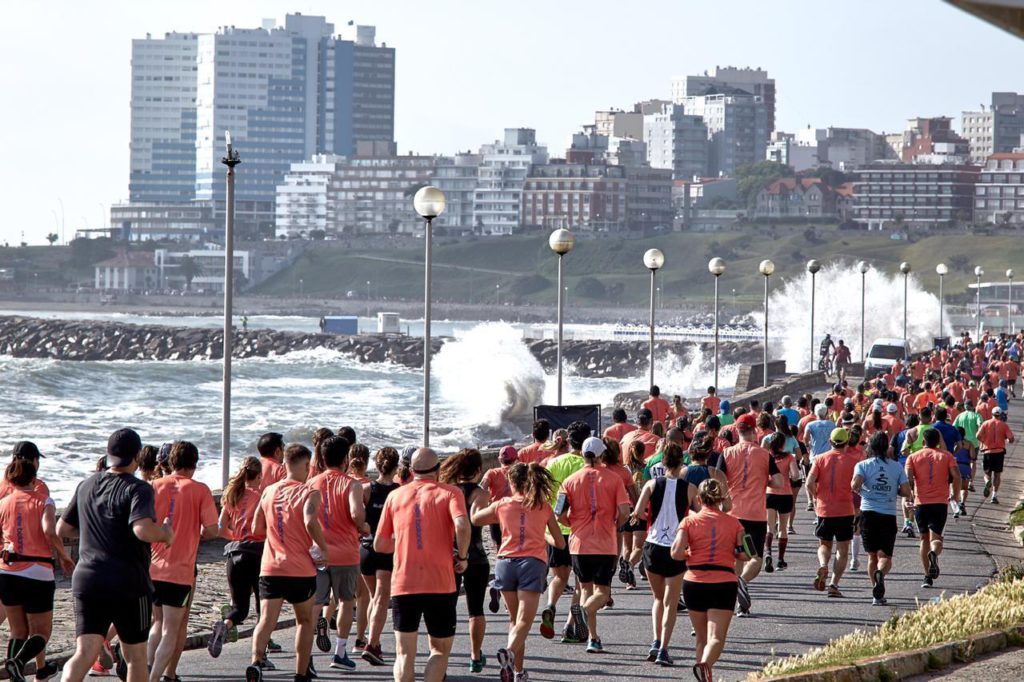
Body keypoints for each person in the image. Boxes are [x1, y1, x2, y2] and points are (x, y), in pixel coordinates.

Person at [57, 428, 174, 682]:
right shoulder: (138, 488)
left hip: (88, 578)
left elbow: (62, 529)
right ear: (136, 457)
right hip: (128, 582)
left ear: (109, 455)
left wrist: (93, 531)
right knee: (135, 656)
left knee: (84, 651)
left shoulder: (86, 484)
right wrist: (164, 533)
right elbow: (142, 529)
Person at [374, 448, 470, 682]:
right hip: (440, 583)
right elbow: (463, 525)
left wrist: (406, 540)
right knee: (438, 650)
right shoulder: (450, 493)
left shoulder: (395, 496)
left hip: (404, 582)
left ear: (411, 470)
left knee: (404, 653)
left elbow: (380, 544)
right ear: (438, 471)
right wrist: (463, 556)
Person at [472, 463, 564, 682]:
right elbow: (560, 543)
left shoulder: (502, 504)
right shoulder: (542, 506)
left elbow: (475, 519)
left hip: (505, 563)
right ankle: (509, 652)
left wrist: (480, 499)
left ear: (511, 483)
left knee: (514, 621)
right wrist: (543, 535)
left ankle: (517, 672)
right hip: (532, 564)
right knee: (524, 621)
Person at [245, 444, 328, 682]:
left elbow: (255, 528)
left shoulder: (268, 491)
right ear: (305, 465)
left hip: (271, 566)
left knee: (266, 620)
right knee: (304, 620)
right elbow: (311, 521)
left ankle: (256, 661)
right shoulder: (309, 492)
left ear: (285, 464)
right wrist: (323, 548)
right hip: (300, 568)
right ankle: (301, 672)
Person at [147, 441, 219, 682]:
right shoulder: (200, 490)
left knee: (156, 623)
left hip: (154, 566)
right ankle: (155, 677)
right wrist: (195, 532)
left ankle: (146, 667)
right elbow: (211, 529)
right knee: (172, 628)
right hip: (181, 571)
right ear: (195, 464)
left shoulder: (154, 485)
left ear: (171, 462)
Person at [0, 449, 74, 682]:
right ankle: (17, 663)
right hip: (37, 571)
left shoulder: (2, 504)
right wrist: (64, 556)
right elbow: (49, 531)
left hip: (7, 571)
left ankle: (14, 674)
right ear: (34, 479)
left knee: (17, 631)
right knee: (41, 632)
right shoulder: (44, 500)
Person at [555, 437, 630, 653]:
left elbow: (558, 513)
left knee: (586, 588)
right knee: (603, 593)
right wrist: (617, 523)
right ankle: (586, 614)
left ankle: (593, 637)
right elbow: (625, 511)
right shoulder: (614, 479)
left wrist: (573, 524)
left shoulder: (569, 481)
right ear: (600, 455)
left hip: (579, 543)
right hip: (604, 542)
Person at [629, 442, 698, 667]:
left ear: (663, 462)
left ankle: (656, 641)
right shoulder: (689, 488)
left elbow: (638, 512)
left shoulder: (651, 483)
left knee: (657, 599)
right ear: (682, 463)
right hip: (675, 547)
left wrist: (650, 514)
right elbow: (699, 513)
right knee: (671, 601)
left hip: (653, 545)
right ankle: (664, 649)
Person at [671, 478, 747, 682]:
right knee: (716, 638)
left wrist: (688, 553)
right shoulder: (734, 523)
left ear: (699, 498)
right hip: (723, 582)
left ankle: (704, 675)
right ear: (722, 498)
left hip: (694, 582)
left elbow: (675, 553)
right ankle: (705, 664)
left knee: (701, 638)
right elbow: (745, 555)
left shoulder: (688, 521)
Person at [308, 435, 367, 672]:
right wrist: (362, 525)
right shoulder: (352, 484)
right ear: (345, 459)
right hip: (345, 552)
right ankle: (340, 652)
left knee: (315, 603)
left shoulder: (312, 482)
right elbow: (356, 513)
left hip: (318, 552)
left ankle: (307, 654)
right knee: (345, 601)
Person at [718, 413, 782, 615]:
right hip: (755, 515)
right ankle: (742, 582)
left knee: (736, 557)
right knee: (755, 558)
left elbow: (718, 478)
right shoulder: (764, 454)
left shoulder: (727, 453)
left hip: (732, 514)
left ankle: (736, 596)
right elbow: (779, 483)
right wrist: (766, 481)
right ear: (755, 431)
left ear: (737, 431)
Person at [438, 449, 490, 673]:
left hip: (449, 555)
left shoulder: (448, 492)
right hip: (476, 556)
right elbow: (477, 518)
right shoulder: (480, 494)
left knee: (447, 607)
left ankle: (443, 657)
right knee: (476, 609)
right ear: (478, 470)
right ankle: (475, 655)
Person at [208, 457, 264, 659]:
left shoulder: (232, 494)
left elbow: (220, 528)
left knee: (239, 609)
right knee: (262, 607)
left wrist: (238, 538)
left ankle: (224, 625)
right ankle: (260, 656)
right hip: (257, 553)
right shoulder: (261, 495)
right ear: (258, 476)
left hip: (235, 554)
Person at [541, 421, 589, 642]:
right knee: (580, 581)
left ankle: (550, 605)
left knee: (559, 576)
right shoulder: (585, 466)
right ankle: (569, 626)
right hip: (578, 527)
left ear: (569, 440)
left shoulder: (553, 463)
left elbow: (544, 496)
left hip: (554, 527)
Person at [852, 432, 911, 606]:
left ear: (870, 446)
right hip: (888, 513)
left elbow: (854, 485)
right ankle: (881, 575)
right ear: (886, 448)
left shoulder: (863, 465)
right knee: (885, 556)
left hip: (868, 512)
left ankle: (876, 593)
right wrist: (894, 491)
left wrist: (864, 492)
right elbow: (907, 491)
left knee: (872, 556)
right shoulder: (896, 467)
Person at [905, 429, 961, 588]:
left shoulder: (913, 457)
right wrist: (956, 496)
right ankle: (934, 554)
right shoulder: (947, 456)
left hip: (921, 503)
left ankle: (927, 576)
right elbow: (956, 475)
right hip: (940, 503)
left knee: (923, 539)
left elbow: (908, 479)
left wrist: (909, 498)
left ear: (923, 442)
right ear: (938, 441)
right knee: (936, 539)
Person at [359, 447, 400, 667]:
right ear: (396, 467)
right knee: (381, 600)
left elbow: (357, 518)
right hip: (386, 548)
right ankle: (372, 644)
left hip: (366, 548)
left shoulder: (366, 489)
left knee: (374, 597)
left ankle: (364, 638)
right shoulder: (399, 491)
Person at [806, 428, 858, 598]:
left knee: (824, 544)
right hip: (845, 509)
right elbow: (857, 486)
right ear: (847, 442)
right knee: (842, 550)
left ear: (830, 442)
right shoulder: (853, 461)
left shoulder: (820, 459)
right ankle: (834, 584)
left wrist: (816, 497)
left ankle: (823, 564)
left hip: (824, 508)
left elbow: (809, 483)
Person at [764, 432, 800, 573]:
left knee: (769, 527)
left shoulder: (766, 456)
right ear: (783, 444)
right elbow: (796, 475)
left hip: (770, 493)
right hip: (785, 494)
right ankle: (780, 559)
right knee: (783, 529)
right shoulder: (789, 457)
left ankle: (768, 553)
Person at [977, 406, 1015, 504]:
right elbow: (1011, 438)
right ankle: (994, 495)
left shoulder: (985, 424)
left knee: (987, 474)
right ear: (1000, 414)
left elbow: (978, 435)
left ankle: (987, 482)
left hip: (988, 451)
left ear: (992, 414)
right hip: (999, 452)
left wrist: (984, 441)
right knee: (997, 475)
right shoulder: (1004, 425)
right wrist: (1007, 439)